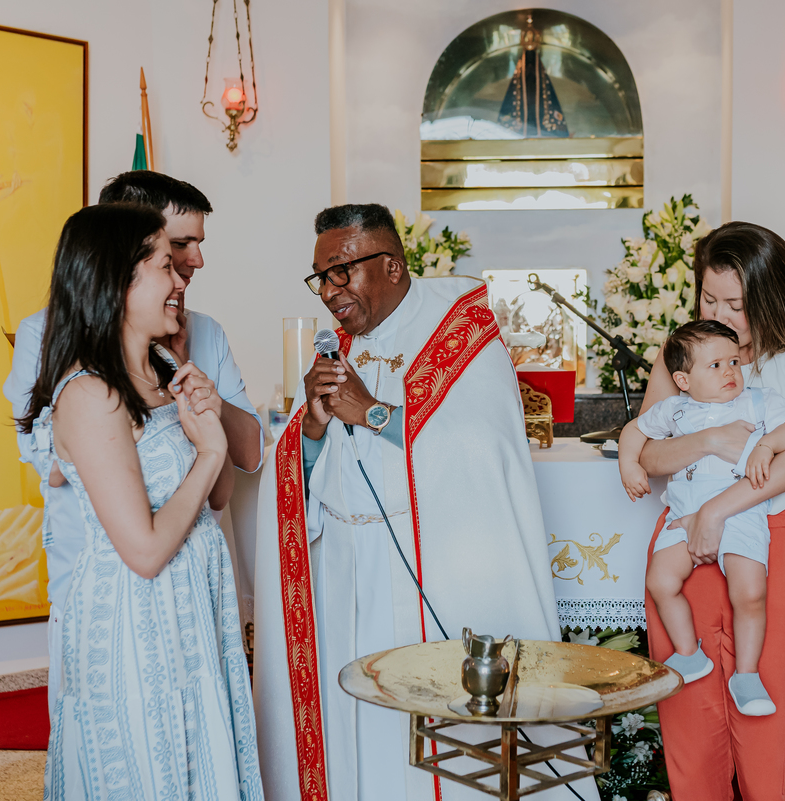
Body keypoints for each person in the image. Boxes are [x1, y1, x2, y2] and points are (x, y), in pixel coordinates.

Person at [252, 203, 596, 801]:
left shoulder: (459, 329)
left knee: (428, 745)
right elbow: (307, 466)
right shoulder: (341, 346)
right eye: (320, 277)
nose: (329, 292)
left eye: (341, 272)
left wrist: (373, 413)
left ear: (390, 265)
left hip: (425, 567)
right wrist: (310, 428)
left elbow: (483, 449)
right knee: (355, 739)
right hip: (344, 573)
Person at [20, 203, 261, 798]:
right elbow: (145, 551)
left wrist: (209, 424)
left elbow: (218, 496)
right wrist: (209, 451)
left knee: (197, 761)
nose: (180, 280)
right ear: (118, 282)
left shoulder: (164, 366)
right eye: (163, 266)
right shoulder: (88, 395)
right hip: (135, 618)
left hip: (193, 607)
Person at [634, 222, 785, 800]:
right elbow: (649, 452)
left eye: (736, 304)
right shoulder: (686, 353)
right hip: (684, 535)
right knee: (691, 712)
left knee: (768, 713)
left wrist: (720, 509)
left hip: (776, 535)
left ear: (771, 293)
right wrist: (710, 440)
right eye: (709, 298)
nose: (720, 315)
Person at [620, 320, 785, 716]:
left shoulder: (758, 401)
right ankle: (689, 653)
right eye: (716, 366)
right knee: (660, 581)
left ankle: (747, 675)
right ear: (683, 380)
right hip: (684, 514)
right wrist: (629, 465)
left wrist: (766, 446)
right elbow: (634, 431)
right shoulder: (674, 409)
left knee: (749, 591)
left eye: (734, 362)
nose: (730, 372)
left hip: (740, 511)